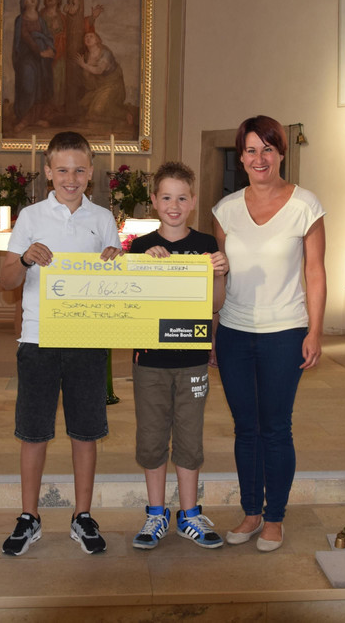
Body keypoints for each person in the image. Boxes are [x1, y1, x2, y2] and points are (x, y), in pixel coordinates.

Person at [0, 131, 122, 556]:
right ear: (48, 172)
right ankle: (29, 516)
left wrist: (115, 263)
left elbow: (117, 282)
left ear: (91, 173)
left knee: (85, 432)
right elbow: (6, 281)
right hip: (39, 338)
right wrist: (24, 258)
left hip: (87, 338)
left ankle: (82, 515)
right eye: (63, 170)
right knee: (33, 432)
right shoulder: (31, 217)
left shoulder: (103, 219)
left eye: (79, 170)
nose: (71, 178)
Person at [212, 115, 326, 552]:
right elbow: (219, 278)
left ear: (281, 154)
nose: (259, 158)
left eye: (268, 149)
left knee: (276, 427)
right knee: (245, 428)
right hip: (235, 332)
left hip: (285, 331)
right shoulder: (225, 210)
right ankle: (251, 512)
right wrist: (214, 330)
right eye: (251, 150)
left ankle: (275, 516)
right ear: (241, 157)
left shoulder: (305, 205)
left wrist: (315, 331)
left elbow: (315, 272)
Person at [128, 162, 229, 551]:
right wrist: (143, 267)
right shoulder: (140, 247)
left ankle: (189, 514)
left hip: (192, 359)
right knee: (152, 437)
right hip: (150, 361)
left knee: (189, 437)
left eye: (182, 198)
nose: (174, 205)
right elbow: (131, 304)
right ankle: (156, 513)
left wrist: (219, 273)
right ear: (154, 201)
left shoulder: (206, 244)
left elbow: (215, 304)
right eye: (167, 197)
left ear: (193, 201)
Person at [12, 0, 55, 133]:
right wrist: (39, 52)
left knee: (41, 87)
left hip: (41, 60)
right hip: (27, 57)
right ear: (24, 2)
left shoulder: (41, 20)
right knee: (28, 85)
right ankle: (24, 119)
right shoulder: (21, 19)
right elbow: (25, 37)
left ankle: (36, 118)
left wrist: (50, 49)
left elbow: (47, 36)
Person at [75, 32, 133, 127]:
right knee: (85, 106)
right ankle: (116, 122)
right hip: (99, 86)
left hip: (113, 85)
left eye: (91, 36)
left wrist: (84, 66)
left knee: (97, 109)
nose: (88, 38)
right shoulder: (86, 56)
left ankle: (125, 115)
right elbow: (88, 78)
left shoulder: (105, 53)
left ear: (97, 40)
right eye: (86, 37)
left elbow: (99, 70)